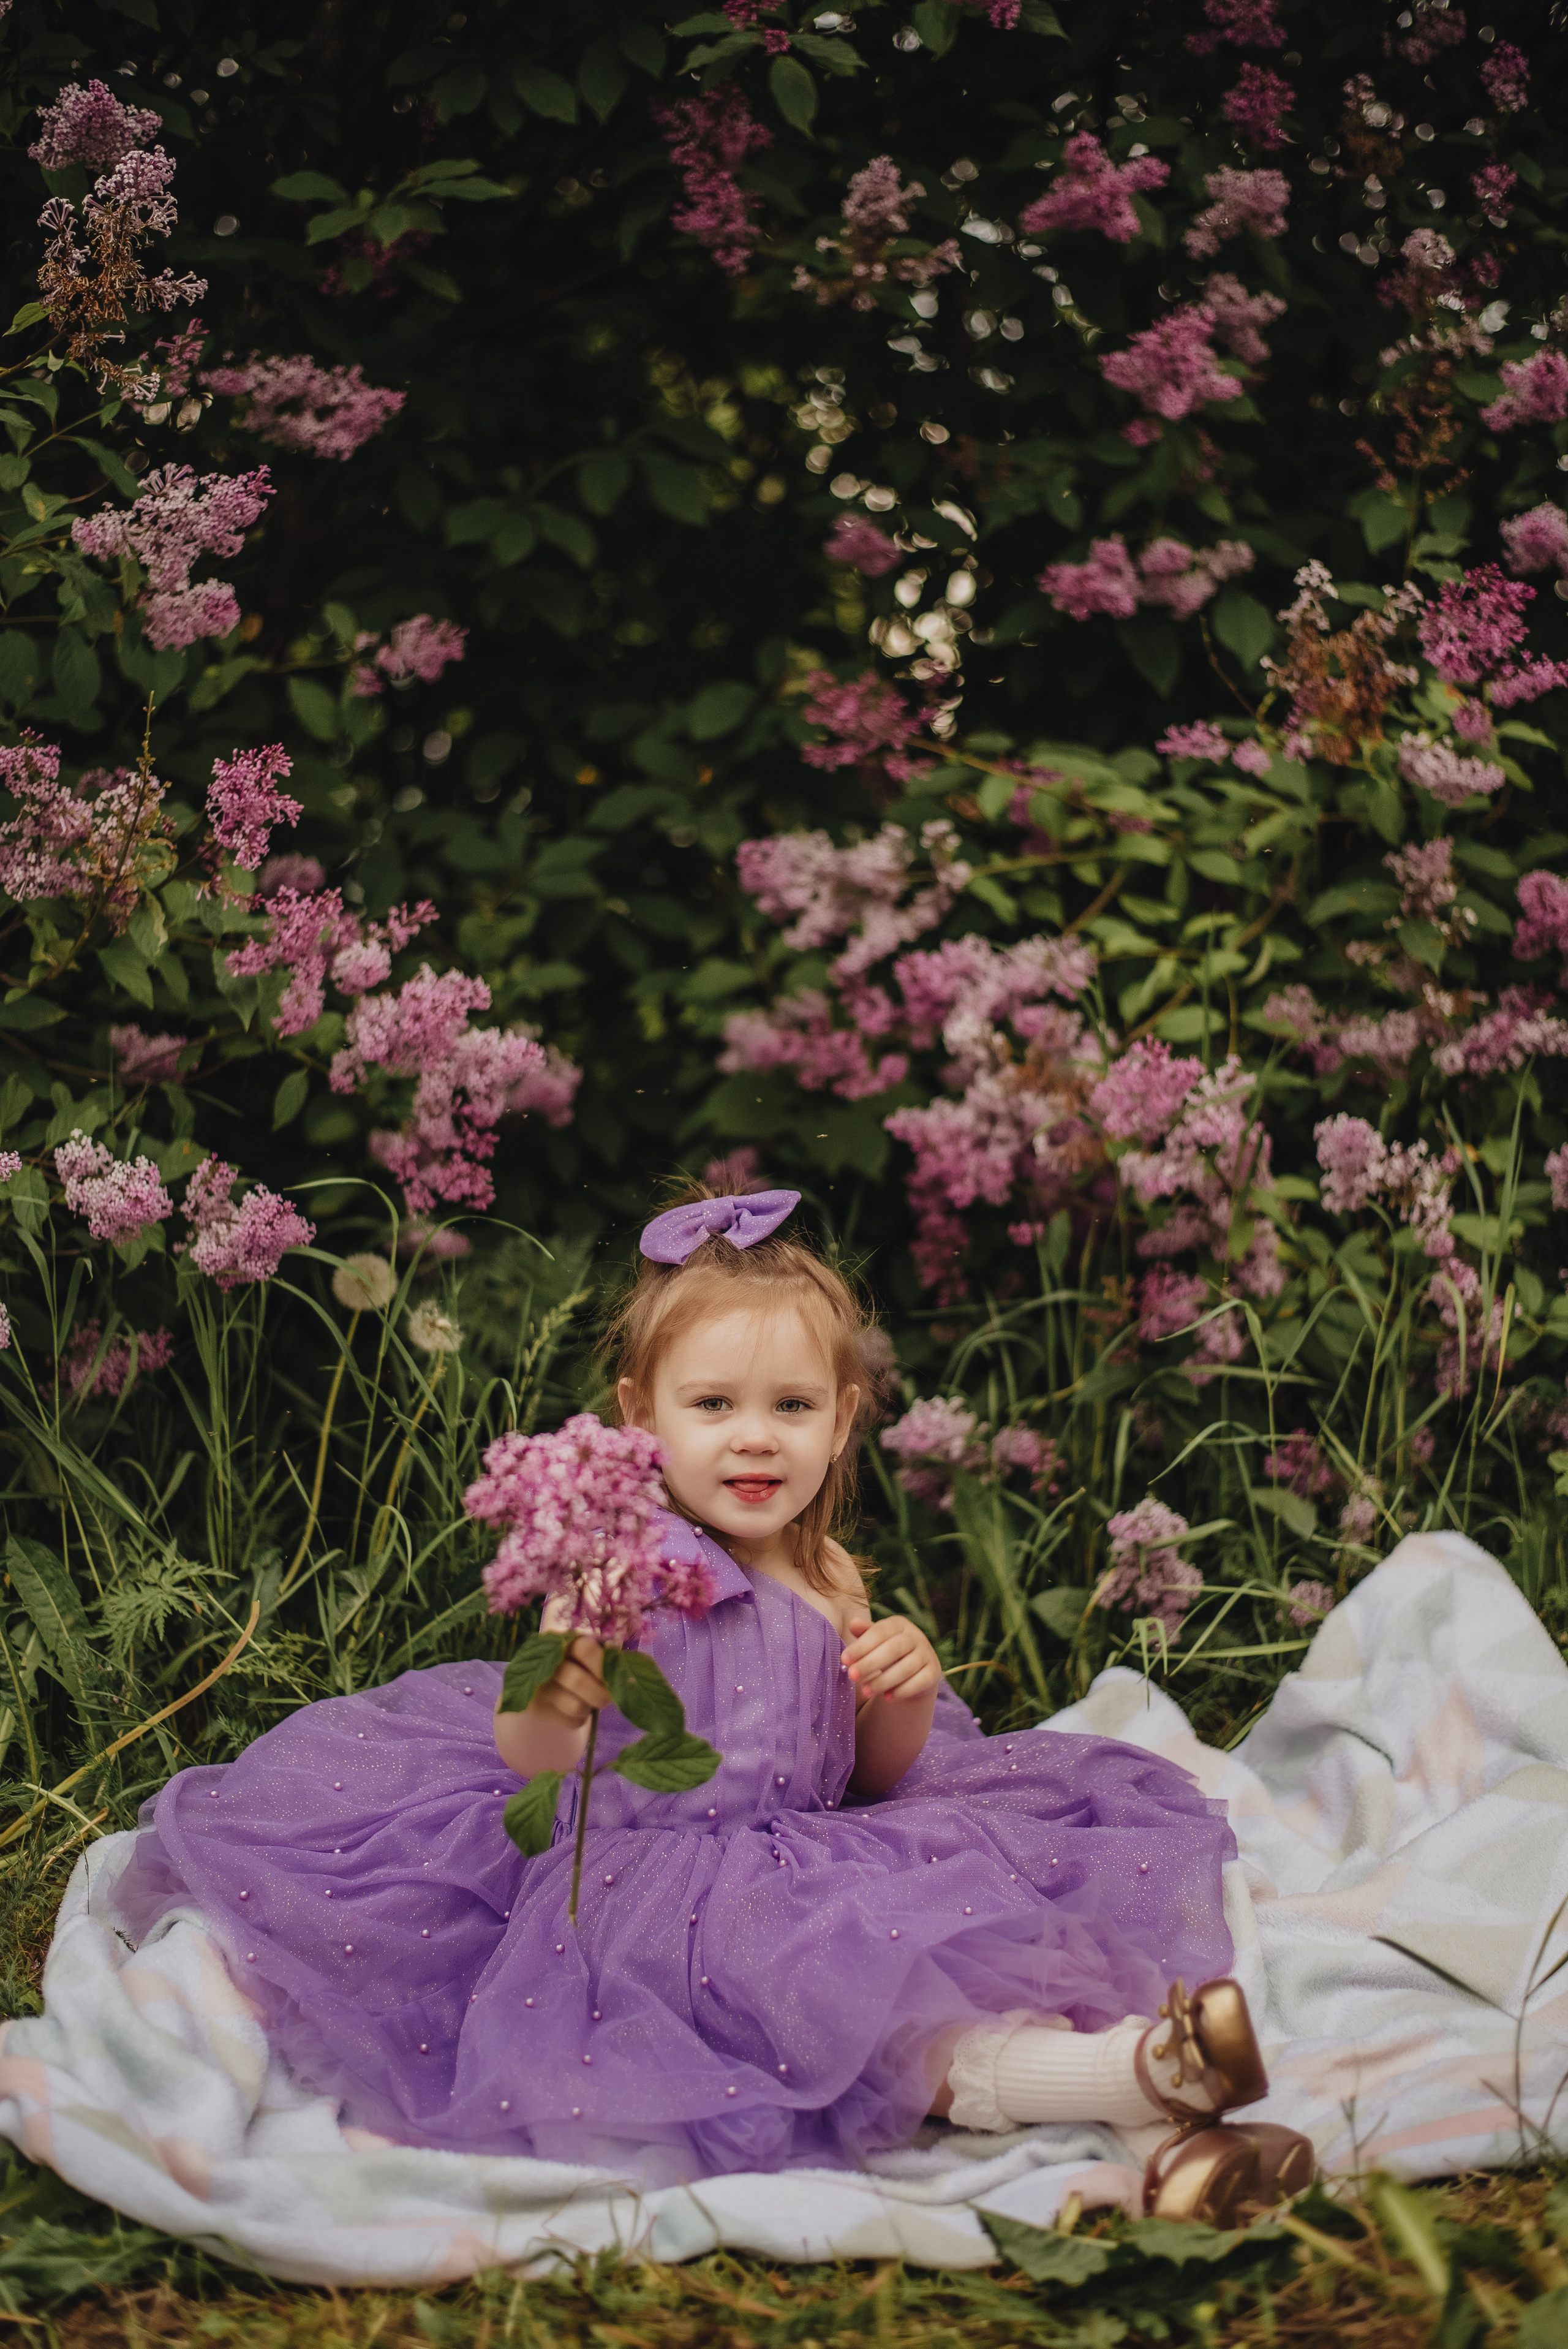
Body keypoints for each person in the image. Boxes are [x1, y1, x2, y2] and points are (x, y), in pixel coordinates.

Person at [116, 1187, 1313, 2222]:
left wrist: (903, 1684)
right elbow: (528, 1754)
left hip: (813, 1840)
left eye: (791, 1408)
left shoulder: (830, 1574)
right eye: (714, 1407)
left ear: (842, 1420)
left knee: (951, 1948)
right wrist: (568, 1688)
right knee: (843, 2001)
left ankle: (1178, 2140)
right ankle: (1133, 2086)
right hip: (658, 1874)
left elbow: (874, 1778)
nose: (755, 1439)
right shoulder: (617, 1564)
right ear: (640, 1416)